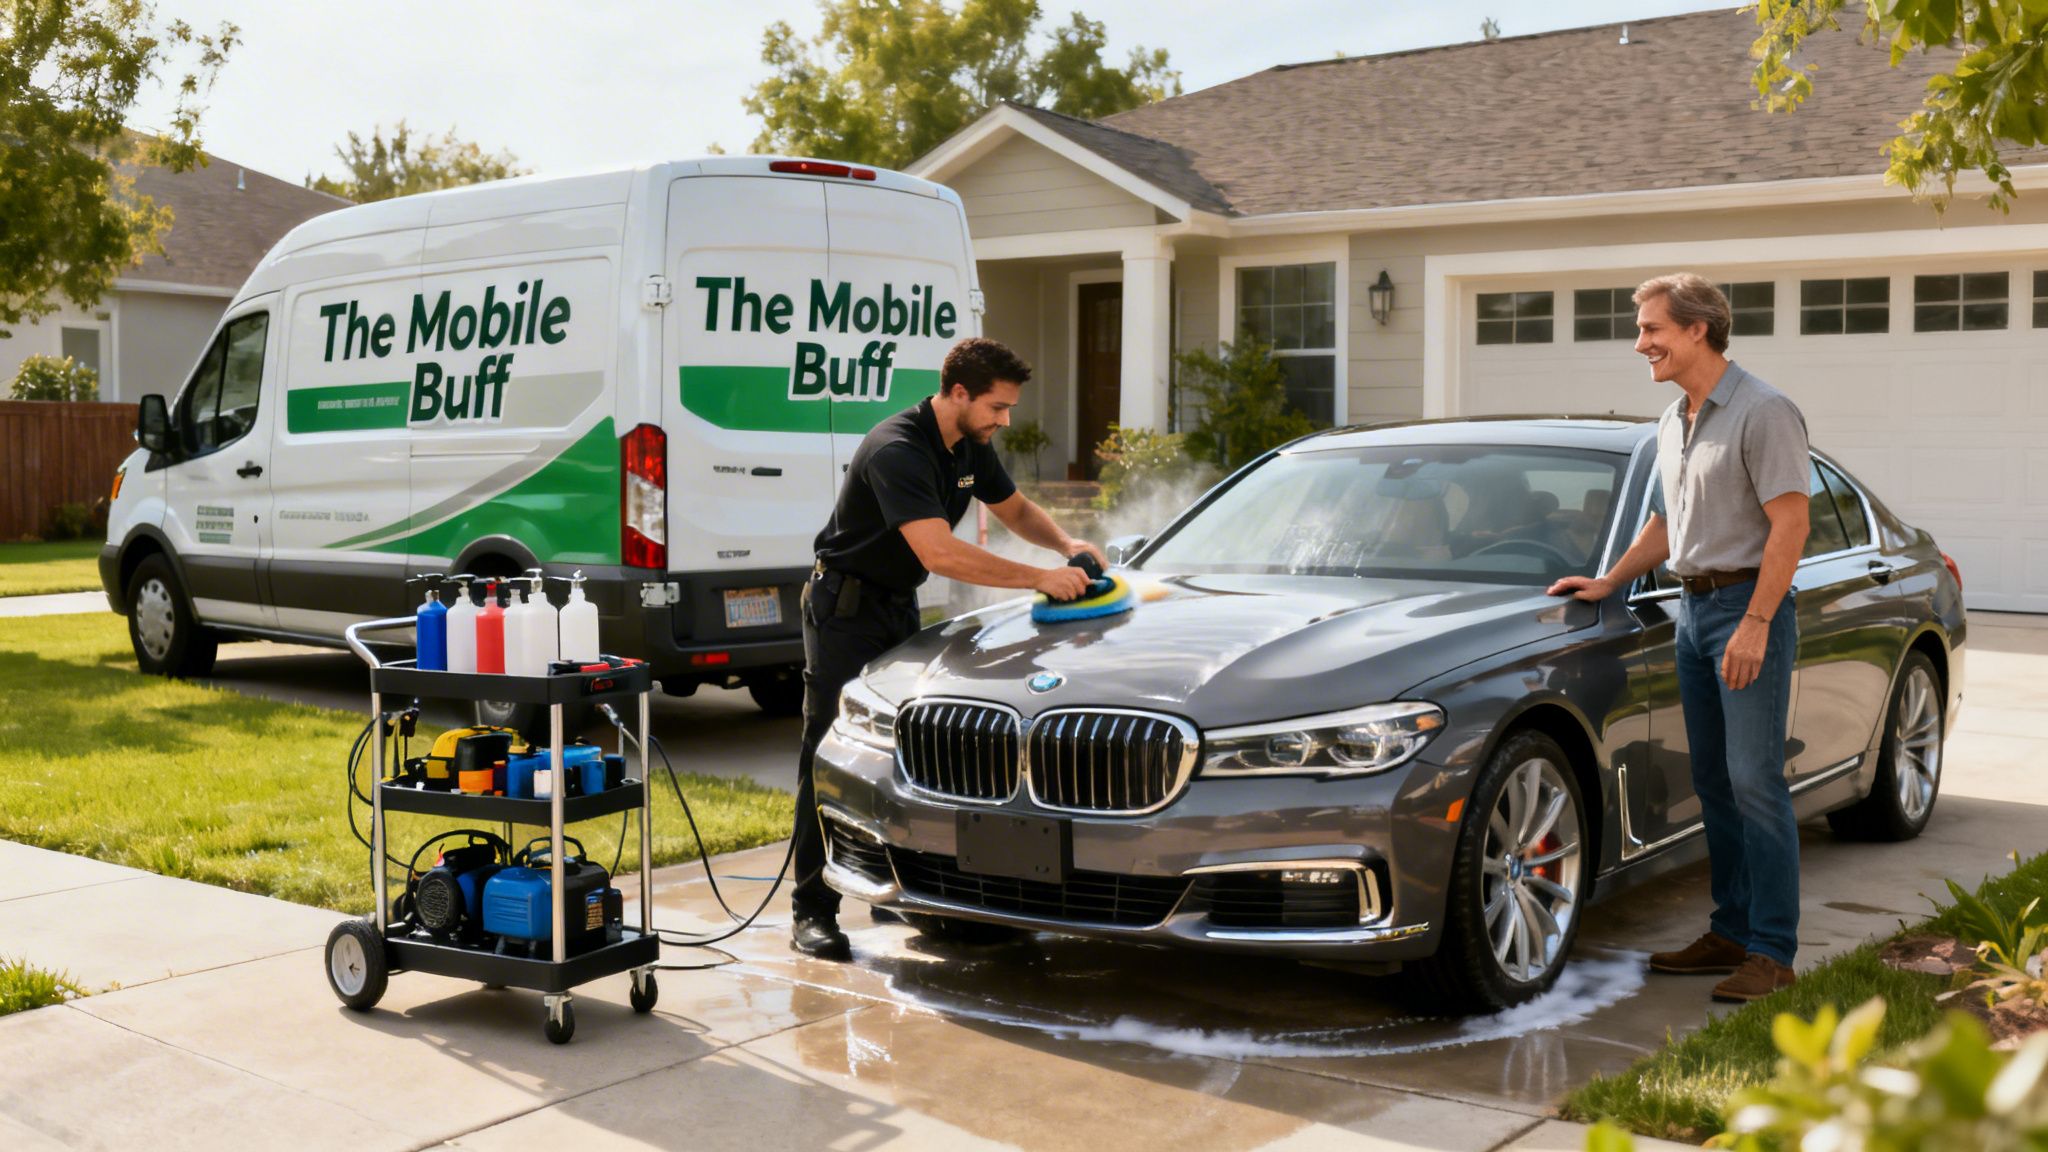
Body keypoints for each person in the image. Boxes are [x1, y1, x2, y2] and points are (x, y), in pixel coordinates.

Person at [789, 337, 1103, 960]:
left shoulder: (969, 444)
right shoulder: (897, 448)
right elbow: (939, 552)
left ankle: (895, 884)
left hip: (897, 604)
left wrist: (1066, 547)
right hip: (845, 610)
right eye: (996, 406)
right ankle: (811, 909)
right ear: (957, 393)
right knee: (829, 753)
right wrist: (1038, 578)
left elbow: (1014, 508)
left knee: (906, 750)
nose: (1004, 420)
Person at [1547, 273, 1810, 1003]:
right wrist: (1609, 582)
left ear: (1698, 329)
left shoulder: (1765, 412)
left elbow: (1791, 523)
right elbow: (1665, 526)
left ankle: (1773, 952)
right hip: (1692, 615)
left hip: (1744, 608)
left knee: (1757, 780)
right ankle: (1730, 930)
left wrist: (1756, 622)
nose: (1641, 344)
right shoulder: (1673, 419)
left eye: (1652, 329)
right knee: (1715, 782)